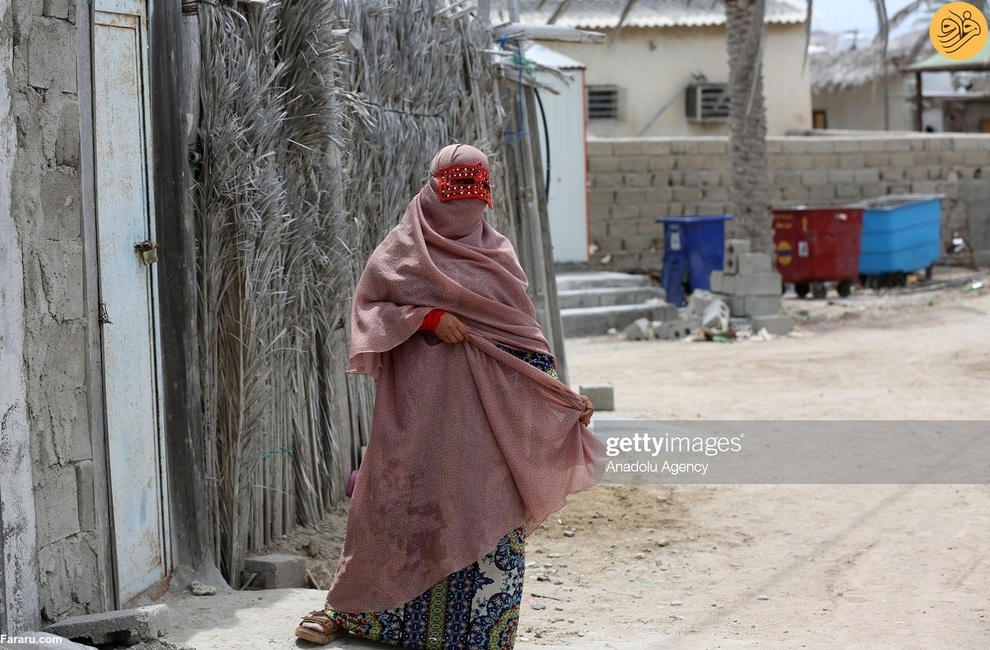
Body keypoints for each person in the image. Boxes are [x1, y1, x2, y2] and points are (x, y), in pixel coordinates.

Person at [295, 144, 606, 649]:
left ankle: (478, 632)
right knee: (395, 505)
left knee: (485, 505)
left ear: (485, 200)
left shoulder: (498, 256)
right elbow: (368, 312)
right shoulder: (403, 249)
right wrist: (425, 318)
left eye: (473, 202)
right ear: (434, 191)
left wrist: (560, 399)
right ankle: (356, 614)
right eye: (453, 201)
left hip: (485, 423)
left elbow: (522, 342)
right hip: (417, 415)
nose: (462, 215)